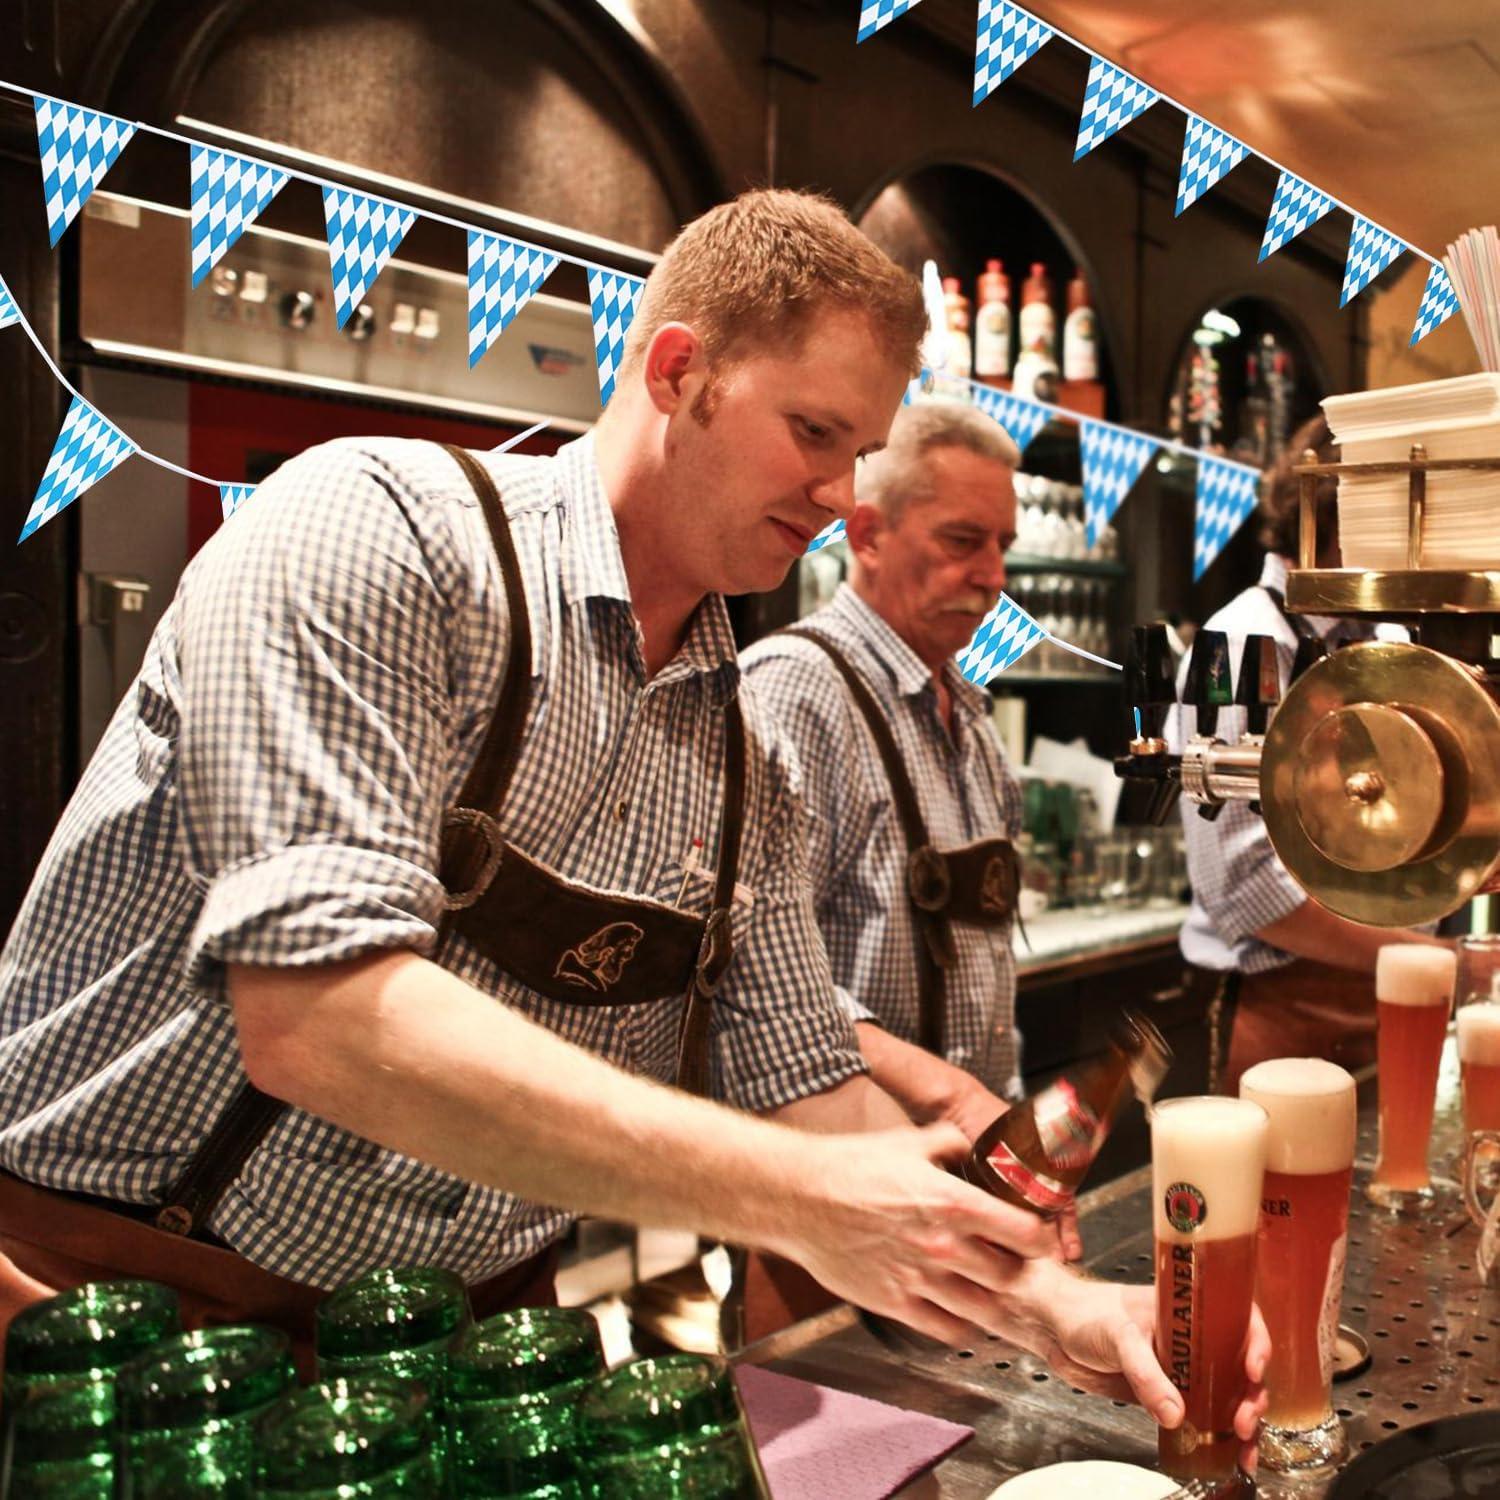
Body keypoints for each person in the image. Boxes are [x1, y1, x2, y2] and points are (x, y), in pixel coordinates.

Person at [0, 190, 1262, 1438]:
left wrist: (1061, 1307)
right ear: (678, 372)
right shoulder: (381, 532)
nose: (837, 495)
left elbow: (801, 1086)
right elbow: (321, 1017)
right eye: (812, 432)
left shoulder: (742, 745)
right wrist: (808, 1196)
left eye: (857, 453)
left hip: (476, 1350)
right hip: (122, 1323)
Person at [741, 401, 1029, 1141]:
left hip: (959, 1161)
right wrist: (955, 1099)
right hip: (837, 1182)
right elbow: (755, 981)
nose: (994, 576)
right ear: (868, 535)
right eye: (964, 540)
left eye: (1003, 545)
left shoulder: (966, 711)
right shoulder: (797, 690)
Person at [1175, 412, 1444, 1094]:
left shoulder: (1385, 635)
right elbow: (1249, 891)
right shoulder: (1242, 641)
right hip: (1278, 1005)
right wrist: (1438, 963)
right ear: (1335, 511)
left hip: (1392, 990)